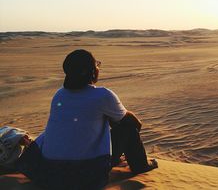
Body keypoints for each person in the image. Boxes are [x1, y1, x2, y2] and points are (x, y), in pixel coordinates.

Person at [16, 49, 157, 190]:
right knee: (128, 128)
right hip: (86, 177)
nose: (98, 68)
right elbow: (133, 123)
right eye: (96, 65)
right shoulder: (103, 95)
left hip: (49, 174)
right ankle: (141, 166)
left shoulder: (59, 95)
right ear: (92, 71)